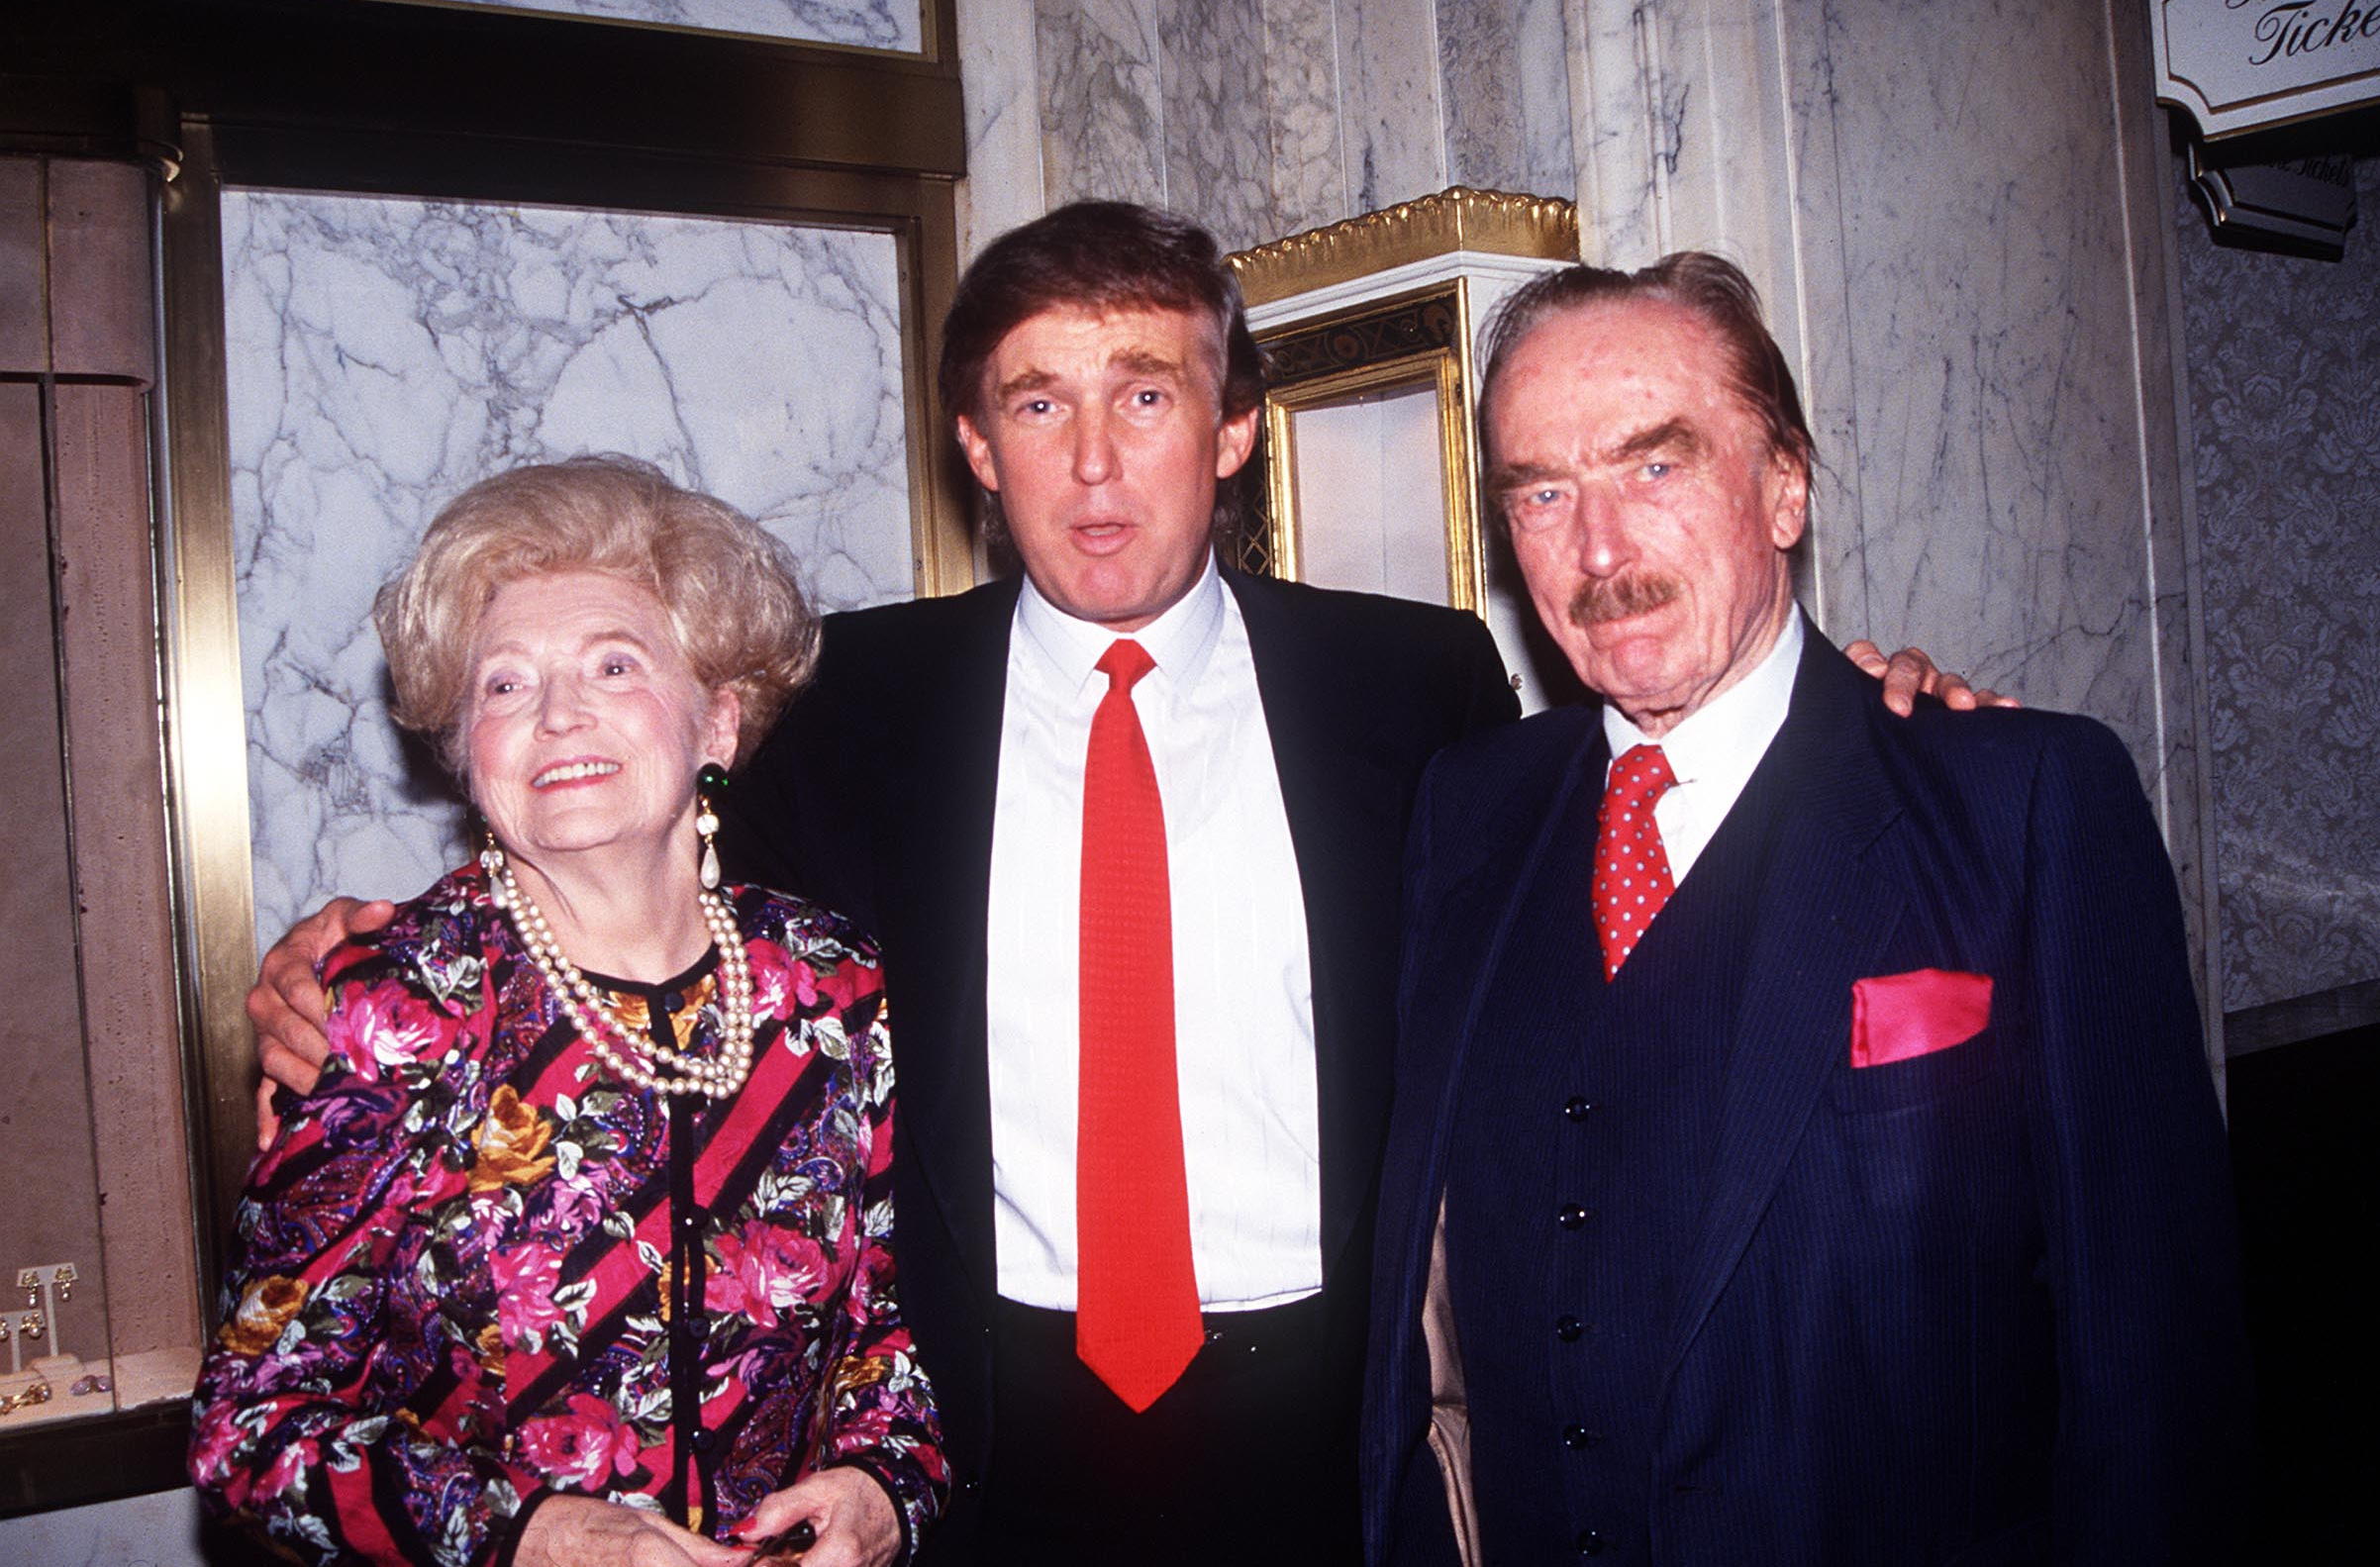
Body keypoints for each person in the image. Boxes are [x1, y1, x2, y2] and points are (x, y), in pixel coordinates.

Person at [245, 207, 1986, 1565]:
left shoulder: (1418, 682)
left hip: (1341, 1431)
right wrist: (342, 955)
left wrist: (1868, 715)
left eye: (1146, 394)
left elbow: (1647, 823)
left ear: (1231, 430)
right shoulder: (842, 704)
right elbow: (612, 855)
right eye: (1038, 403)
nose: (1093, 461)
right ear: (972, 443)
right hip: (978, 1442)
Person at [1359, 254, 2250, 1565]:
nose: (1598, 549)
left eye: (1654, 466)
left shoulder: (2020, 803)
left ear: (1784, 486)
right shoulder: (1467, 812)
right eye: (1542, 491)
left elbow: (2154, 1357)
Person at [191, 457, 945, 1567]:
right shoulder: (394, 1007)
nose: (557, 714)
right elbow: (249, 1425)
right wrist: (539, 1536)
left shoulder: (833, 985)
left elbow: (900, 1319)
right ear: (465, 750)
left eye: (613, 663)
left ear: (717, 722)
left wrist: (887, 1487)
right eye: (504, 685)